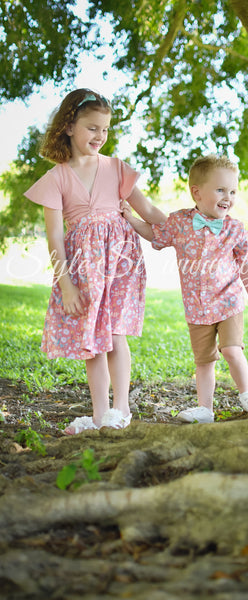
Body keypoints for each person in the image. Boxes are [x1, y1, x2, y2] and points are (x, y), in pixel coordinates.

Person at [24, 88, 166, 434]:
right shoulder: (56, 178)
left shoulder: (117, 168)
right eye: (92, 128)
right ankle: (102, 415)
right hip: (83, 267)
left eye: (105, 129)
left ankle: (122, 409)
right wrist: (66, 284)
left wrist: (184, 226)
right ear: (69, 126)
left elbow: (148, 212)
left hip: (120, 263)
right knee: (94, 339)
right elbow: (55, 237)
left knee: (116, 334)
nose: (100, 136)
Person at [123, 154, 248, 423]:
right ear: (197, 192)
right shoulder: (179, 223)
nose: (228, 197)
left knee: (231, 350)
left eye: (233, 191)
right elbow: (156, 234)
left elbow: (245, 266)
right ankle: (205, 410)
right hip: (197, 308)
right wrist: (131, 220)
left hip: (229, 302)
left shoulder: (234, 229)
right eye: (221, 190)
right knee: (203, 362)